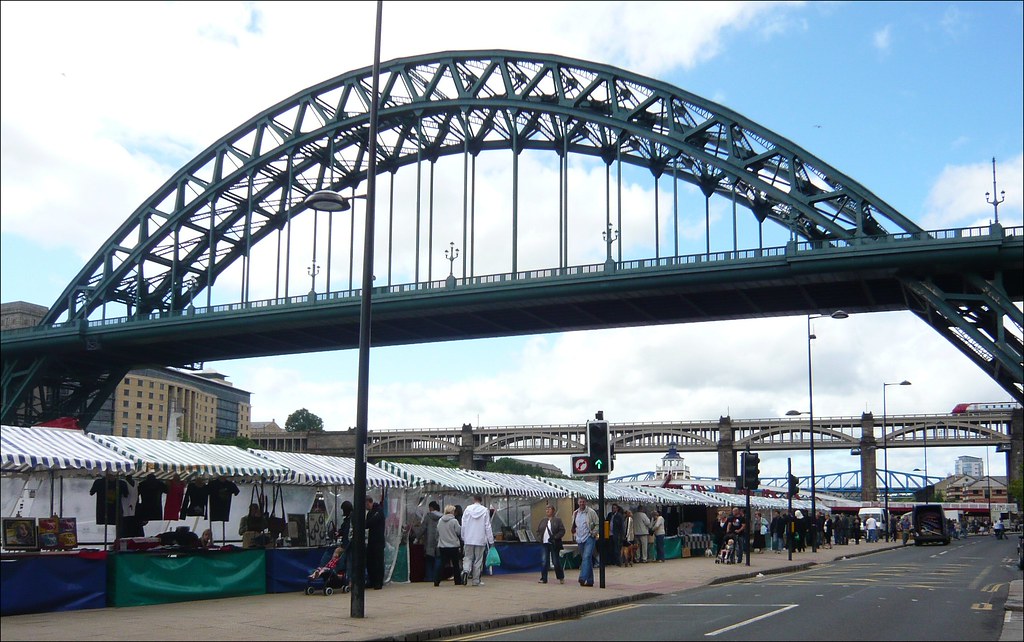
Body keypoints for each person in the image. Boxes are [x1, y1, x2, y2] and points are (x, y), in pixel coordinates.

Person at [460, 495, 494, 587]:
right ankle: (476, 580)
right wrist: (491, 540)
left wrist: (463, 536)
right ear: (481, 500)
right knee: (478, 560)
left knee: (468, 557)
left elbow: (463, 524)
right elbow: (487, 526)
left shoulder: (467, 509)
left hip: (468, 538)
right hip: (480, 538)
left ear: (474, 500)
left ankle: (466, 570)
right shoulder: (485, 510)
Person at [571, 497, 599, 586]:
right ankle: (590, 580)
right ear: (577, 503)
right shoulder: (575, 513)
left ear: (585, 502)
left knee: (586, 557)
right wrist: (575, 534)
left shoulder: (591, 512)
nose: (581, 503)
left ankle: (582, 577)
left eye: (583, 502)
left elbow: (597, 523)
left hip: (589, 537)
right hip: (580, 538)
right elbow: (574, 525)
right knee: (587, 559)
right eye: (580, 502)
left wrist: (593, 533)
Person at [535, 504, 566, 584]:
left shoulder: (557, 520)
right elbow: (538, 531)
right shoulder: (543, 520)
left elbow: (562, 531)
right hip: (544, 543)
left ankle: (560, 576)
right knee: (544, 561)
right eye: (546, 509)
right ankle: (543, 578)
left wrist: (555, 537)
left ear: (553, 510)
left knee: (556, 561)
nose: (547, 510)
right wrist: (539, 538)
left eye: (549, 509)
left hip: (554, 543)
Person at [435, 505, 462, 586]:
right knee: (455, 564)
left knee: (442, 564)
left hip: (443, 546)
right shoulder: (454, 521)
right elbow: (458, 531)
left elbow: (438, 531)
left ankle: (437, 580)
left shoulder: (440, 520)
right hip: (453, 546)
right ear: (452, 512)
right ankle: (457, 581)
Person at [365, 497, 386, 590]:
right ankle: (372, 581)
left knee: (378, 562)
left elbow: (370, 523)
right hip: (371, 540)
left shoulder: (378, 511)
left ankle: (379, 582)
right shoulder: (370, 513)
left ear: (370, 502)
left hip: (378, 541)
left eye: (366, 504)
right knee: (371, 562)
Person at [421, 501, 442, 583]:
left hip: (429, 541)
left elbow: (422, 529)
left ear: (431, 508)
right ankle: (437, 576)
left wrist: (416, 536)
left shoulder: (428, 517)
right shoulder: (442, 517)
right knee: (438, 559)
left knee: (429, 561)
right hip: (439, 541)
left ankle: (429, 577)